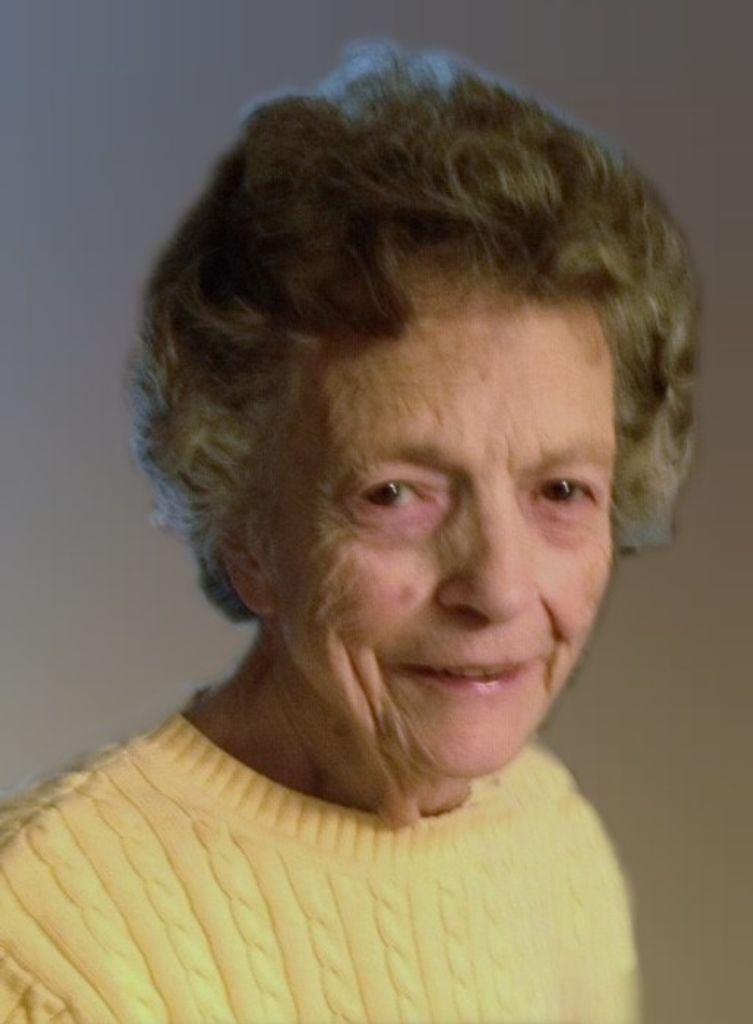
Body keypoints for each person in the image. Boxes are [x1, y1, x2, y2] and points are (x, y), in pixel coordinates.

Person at [0, 42, 695, 1024]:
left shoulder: (553, 836)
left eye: (561, 490)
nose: (499, 587)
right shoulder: (46, 942)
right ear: (244, 528)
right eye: (396, 494)